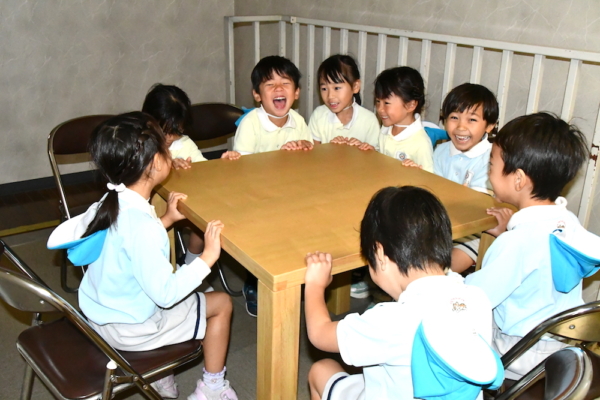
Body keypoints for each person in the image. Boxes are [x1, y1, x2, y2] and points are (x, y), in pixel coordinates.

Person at [47, 113, 237, 400]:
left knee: (187, 290)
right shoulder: (142, 227)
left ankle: (162, 377)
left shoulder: (111, 201)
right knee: (221, 303)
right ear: (156, 162)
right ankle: (212, 387)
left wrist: (165, 220)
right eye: (165, 147)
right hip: (132, 331)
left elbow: (127, 245)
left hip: (99, 318)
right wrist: (207, 257)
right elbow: (166, 294)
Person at [305, 186, 500, 400]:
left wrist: (315, 285)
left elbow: (320, 334)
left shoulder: (389, 321)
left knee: (321, 370)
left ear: (380, 254)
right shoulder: (477, 298)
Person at [465, 112, 600, 380]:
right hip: (561, 349)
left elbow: (474, 299)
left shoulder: (516, 244)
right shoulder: (567, 222)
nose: (488, 173)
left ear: (518, 179)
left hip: (519, 356)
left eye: (491, 165)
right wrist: (511, 230)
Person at [433, 83, 508, 273]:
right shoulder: (441, 151)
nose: (461, 127)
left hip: (475, 232)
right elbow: (432, 189)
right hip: (441, 225)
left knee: (440, 270)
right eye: (454, 117)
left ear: (490, 125)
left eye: (472, 120)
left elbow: (475, 205)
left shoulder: (492, 159)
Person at [142, 83, 207, 269]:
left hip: (182, 204)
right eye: (164, 131)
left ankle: (189, 264)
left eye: (176, 131)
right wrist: (168, 164)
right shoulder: (140, 143)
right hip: (148, 213)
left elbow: (205, 171)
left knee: (205, 220)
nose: (170, 138)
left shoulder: (184, 143)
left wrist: (193, 168)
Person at [221, 55, 313, 160]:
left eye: (285, 83)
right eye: (270, 84)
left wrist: (304, 146)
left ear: (296, 92)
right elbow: (243, 164)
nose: (278, 88)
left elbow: (308, 158)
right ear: (257, 95)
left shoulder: (299, 121)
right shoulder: (250, 124)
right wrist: (280, 156)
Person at [358, 66, 434, 173]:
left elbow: (429, 177)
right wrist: (373, 152)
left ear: (410, 105)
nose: (380, 109)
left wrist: (416, 172)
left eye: (386, 103)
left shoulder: (421, 143)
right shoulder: (386, 129)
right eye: (378, 101)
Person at [308, 54, 379, 147]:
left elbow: (375, 154)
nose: (330, 96)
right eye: (324, 89)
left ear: (355, 86)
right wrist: (328, 148)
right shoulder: (319, 115)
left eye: (337, 88)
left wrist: (362, 149)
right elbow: (313, 151)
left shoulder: (369, 120)